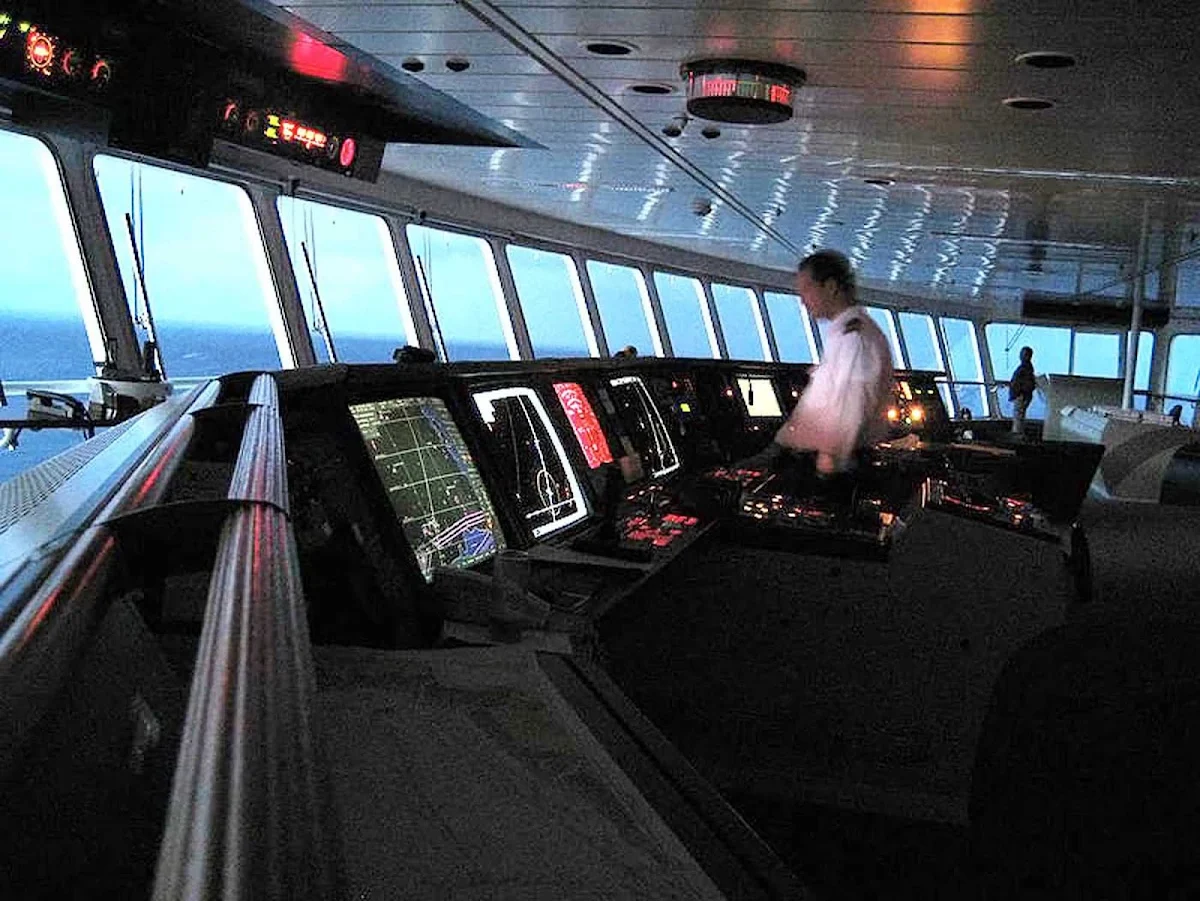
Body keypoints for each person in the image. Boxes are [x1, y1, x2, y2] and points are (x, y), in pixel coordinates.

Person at [752, 249, 894, 475]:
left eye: (807, 290)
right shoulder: (845, 334)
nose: (803, 301)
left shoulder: (853, 337)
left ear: (830, 286)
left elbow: (849, 409)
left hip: (839, 472)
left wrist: (825, 471)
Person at [1008, 346, 1036, 436]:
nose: (1020, 356)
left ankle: (1017, 435)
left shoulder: (1025, 368)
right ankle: (1018, 433)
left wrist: (1018, 392)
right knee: (1019, 416)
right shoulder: (1027, 368)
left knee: (1018, 416)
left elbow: (1025, 383)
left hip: (1022, 395)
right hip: (1022, 395)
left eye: (1023, 354)